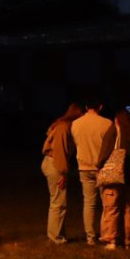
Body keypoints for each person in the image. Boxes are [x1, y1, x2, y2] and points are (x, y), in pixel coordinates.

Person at [99, 110, 130, 249]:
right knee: (129, 209)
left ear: (117, 120)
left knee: (112, 207)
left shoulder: (114, 131)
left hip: (115, 176)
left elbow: (105, 152)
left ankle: (111, 240)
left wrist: (99, 166)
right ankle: (128, 239)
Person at [71, 98, 115, 246]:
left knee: (89, 203)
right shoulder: (107, 123)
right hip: (101, 167)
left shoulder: (75, 124)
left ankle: (90, 237)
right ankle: (106, 233)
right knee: (106, 203)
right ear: (100, 106)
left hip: (83, 166)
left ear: (86, 106)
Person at [41, 103, 81, 244]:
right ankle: (55, 237)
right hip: (55, 164)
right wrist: (63, 173)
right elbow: (60, 152)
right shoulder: (64, 128)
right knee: (59, 202)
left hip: (51, 162)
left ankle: (57, 234)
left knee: (57, 201)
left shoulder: (60, 124)